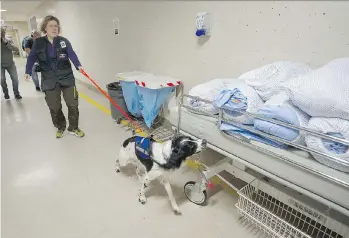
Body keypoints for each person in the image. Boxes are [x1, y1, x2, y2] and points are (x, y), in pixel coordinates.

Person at [25, 15, 85, 138]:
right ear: (45, 28)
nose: (54, 28)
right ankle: (60, 126)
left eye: (56, 26)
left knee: (73, 104)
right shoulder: (38, 43)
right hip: (49, 79)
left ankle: (73, 127)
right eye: (51, 26)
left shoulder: (64, 41)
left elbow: (72, 54)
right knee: (54, 107)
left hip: (66, 77)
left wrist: (78, 65)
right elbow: (31, 58)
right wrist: (28, 71)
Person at [1, 27, 22, 100]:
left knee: (15, 78)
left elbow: (16, 49)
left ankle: (16, 93)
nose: (1, 35)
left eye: (2, 33)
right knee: (1, 79)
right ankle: (6, 93)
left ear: (4, 33)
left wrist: (6, 43)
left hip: (10, 63)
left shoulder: (9, 40)